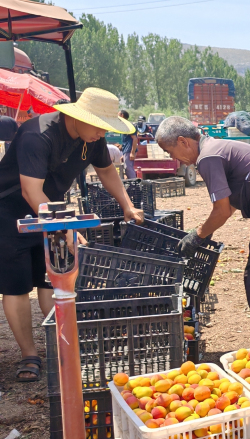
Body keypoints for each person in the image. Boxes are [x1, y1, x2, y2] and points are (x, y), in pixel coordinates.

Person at [0, 88, 144, 383]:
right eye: (99, 127)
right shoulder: (37, 135)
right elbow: (30, 191)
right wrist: (64, 227)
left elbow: (106, 171)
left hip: (51, 208)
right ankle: (29, 354)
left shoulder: (93, 138)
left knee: (51, 278)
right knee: (16, 286)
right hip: (9, 212)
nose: (102, 134)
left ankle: (61, 344)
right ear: (79, 117)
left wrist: (127, 204)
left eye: (106, 128)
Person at [155, 117, 250, 346]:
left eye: (170, 151)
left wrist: (198, 235)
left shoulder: (207, 157)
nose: (174, 159)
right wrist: (203, 231)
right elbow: (228, 206)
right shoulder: (214, 147)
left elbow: (221, 211)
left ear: (183, 141)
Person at [119, 110, 138, 179]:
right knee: (127, 168)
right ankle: (132, 182)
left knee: (128, 168)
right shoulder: (124, 126)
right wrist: (123, 154)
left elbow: (135, 139)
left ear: (122, 115)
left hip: (129, 150)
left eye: (118, 115)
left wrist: (132, 152)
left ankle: (134, 183)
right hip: (126, 150)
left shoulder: (129, 126)